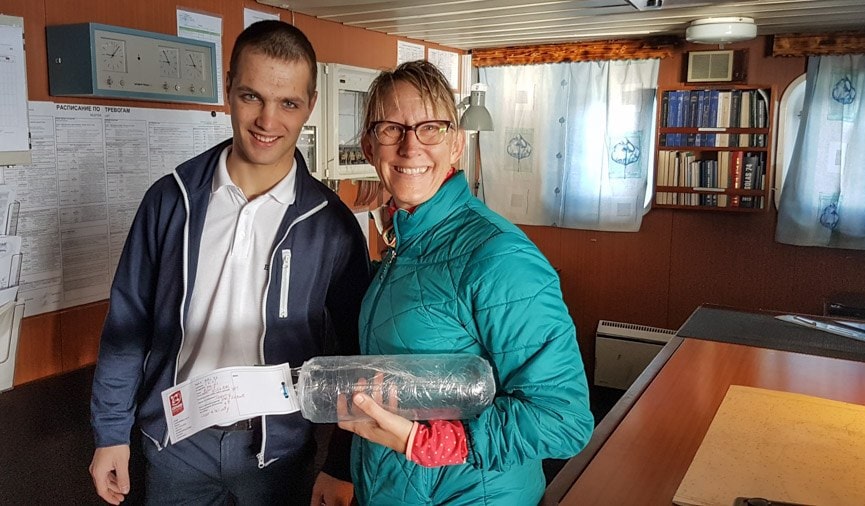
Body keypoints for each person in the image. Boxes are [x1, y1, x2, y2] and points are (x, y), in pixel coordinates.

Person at [89, 20, 369, 506]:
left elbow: (355, 354)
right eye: (251, 96)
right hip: (175, 445)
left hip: (278, 452)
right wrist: (110, 432)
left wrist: (340, 463)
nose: (268, 120)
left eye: (288, 103)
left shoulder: (333, 225)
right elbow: (127, 324)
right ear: (227, 90)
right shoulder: (170, 200)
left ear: (310, 106)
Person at [338, 60, 594, 505]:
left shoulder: (498, 256)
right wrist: (343, 471)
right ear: (368, 146)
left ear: (456, 145)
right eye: (391, 129)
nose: (410, 146)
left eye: (430, 128)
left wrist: (433, 444)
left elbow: (563, 420)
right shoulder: (405, 242)